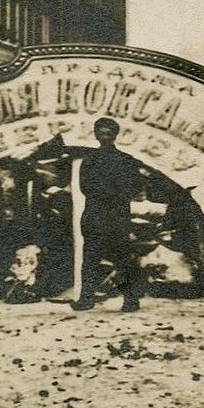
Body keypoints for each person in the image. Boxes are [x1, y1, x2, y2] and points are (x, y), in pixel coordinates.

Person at [72, 117, 145, 312]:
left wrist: (109, 195)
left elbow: (136, 185)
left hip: (112, 216)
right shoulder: (89, 161)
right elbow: (84, 187)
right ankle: (87, 298)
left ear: (114, 135)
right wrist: (116, 194)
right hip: (100, 216)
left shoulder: (124, 161)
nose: (104, 137)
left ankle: (130, 299)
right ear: (95, 134)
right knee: (91, 259)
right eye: (101, 133)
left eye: (108, 133)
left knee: (122, 260)